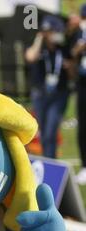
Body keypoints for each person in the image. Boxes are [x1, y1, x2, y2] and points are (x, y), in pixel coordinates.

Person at [25, 15, 72, 159]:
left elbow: (72, 73)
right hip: (40, 94)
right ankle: (47, 161)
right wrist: (39, 38)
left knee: (51, 131)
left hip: (58, 94)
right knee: (44, 132)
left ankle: (51, 162)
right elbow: (30, 57)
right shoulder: (39, 48)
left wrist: (70, 67)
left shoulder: (63, 49)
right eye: (53, 31)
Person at [72, 5, 86, 185]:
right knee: (83, 125)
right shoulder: (78, 33)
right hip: (83, 83)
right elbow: (72, 54)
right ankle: (85, 165)